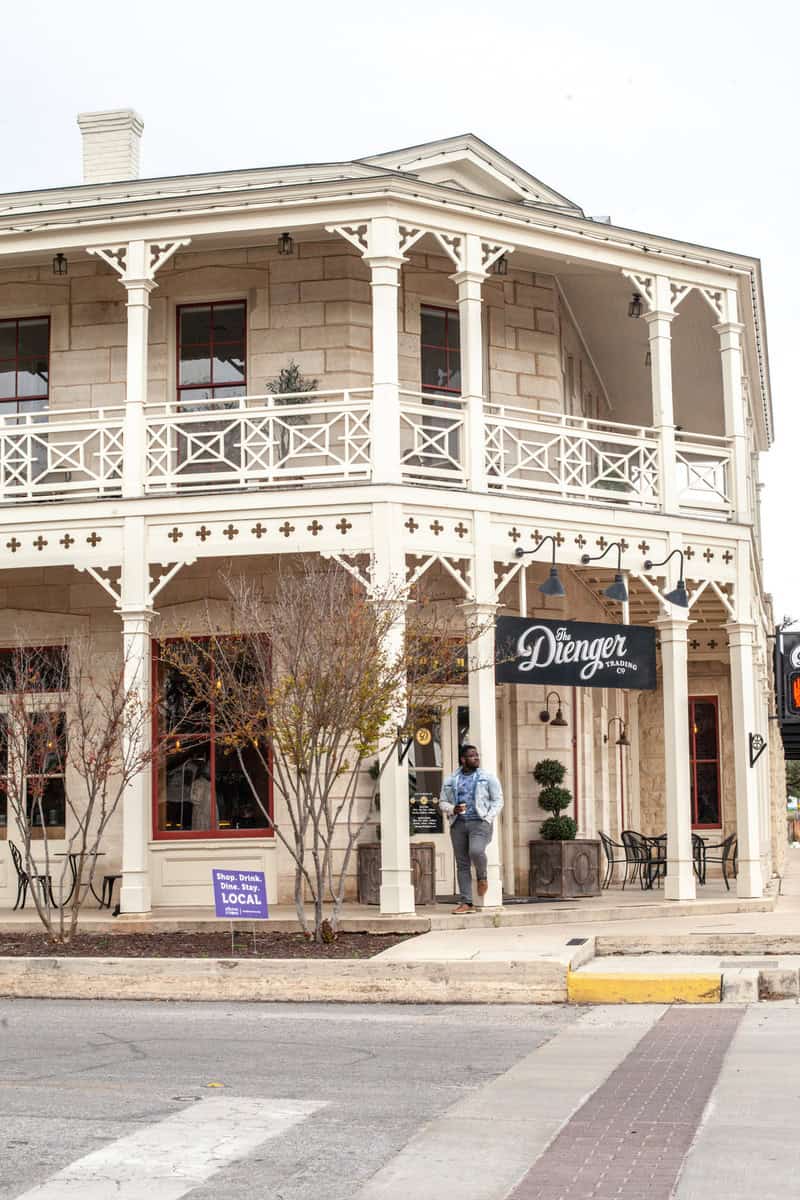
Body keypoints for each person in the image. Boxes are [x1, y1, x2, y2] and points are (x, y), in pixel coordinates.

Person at [439, 744, 503, 914]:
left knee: (475, 851)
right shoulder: (451, 779)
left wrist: (488, 818)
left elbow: (498, 800)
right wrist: (453, 809)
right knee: (462, 864)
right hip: (458, 824)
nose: (476, 758)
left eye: (477, 755)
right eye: (472, 755)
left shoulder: (487, 777)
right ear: (463, 759)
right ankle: (466, 902)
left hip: (480, 823)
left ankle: (482, 877)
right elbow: (442, 802)